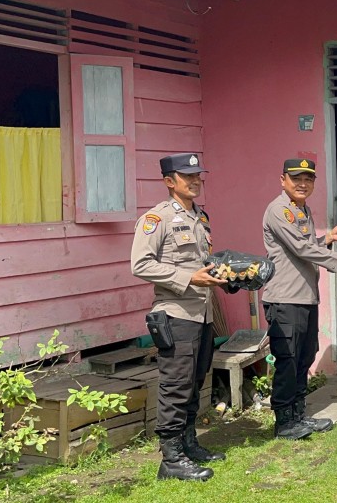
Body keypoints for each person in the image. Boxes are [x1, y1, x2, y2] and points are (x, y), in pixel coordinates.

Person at [132, 153, 227, 481]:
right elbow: (140, 264)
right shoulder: (156, 219)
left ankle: (188, 444)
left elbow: (204, 262)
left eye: (198, 174)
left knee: (194, 382)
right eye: (187, 176)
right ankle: (170, 459)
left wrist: (224, 276)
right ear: (169, 181)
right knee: (175, 386)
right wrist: (188, 278)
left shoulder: (201, 217)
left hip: (202, 314)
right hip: (175, 315)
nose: (195, 180)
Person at [262, 158, 337, 439]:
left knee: (304, 357)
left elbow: (303, 246)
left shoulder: (301, 208)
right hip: (285, 298)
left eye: (308, 179)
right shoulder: (279, 210)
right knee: (288, 359)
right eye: (296, 178)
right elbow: (301, 249)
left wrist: (328, 238)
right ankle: (284, 422)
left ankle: (299, 415)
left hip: (304, 297)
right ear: (283, 180)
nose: (303, 184)